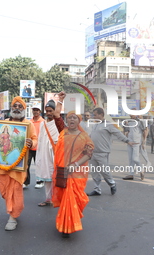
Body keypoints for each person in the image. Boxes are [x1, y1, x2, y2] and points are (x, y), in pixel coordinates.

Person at [0, 96, 37, 231]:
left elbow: (34, 139)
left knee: (15, 190)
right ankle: (12, 208)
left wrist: (31, 143)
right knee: (2, 187)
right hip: (3, 163)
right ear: (11, 108)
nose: (16, 108)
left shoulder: (28, 124)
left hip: (18, 165)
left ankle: (13, 216)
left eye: (19, 106)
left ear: (24, 109)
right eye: (14, 106)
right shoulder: (4, 123)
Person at [52, 92, 94, 238]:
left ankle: (67, 226)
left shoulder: (84, 136)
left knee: (73, 198)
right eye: (69, 117)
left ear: (79, 121)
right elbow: (57, 116)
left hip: (76, 173)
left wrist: (76, 164)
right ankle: (66, 221)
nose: (71, 119)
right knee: (65, 198)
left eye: (74, 117)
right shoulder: (63, 131)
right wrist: (60, 101)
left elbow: (88, 153)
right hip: (62, 170)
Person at [87, 107, 135, 196]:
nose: (94, 116)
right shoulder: (95, 125)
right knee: (94, 172)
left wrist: (127, 141)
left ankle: (112, 184)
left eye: (95, 115)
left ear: (101, 115)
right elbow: (91, 136)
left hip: (103, 153)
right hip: (93, 153)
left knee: (104, 171)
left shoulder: (108, 125)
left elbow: (118, 133)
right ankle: (97, 189)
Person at [35, 100, 59, 206]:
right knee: (47, 176)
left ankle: (58, 198)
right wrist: (39, 155)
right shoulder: (42, 124)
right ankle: (48, 198)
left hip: (55, 153)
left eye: (51, 111)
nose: (49, 113)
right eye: (47, 111)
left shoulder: (58, 124)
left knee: (57, 176)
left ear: (55, 111)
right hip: (44, 153)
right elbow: (40, 140)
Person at [24, 106, 45, 189]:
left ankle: (40, 181)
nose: (35, 112)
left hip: (39, 147)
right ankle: (25, 182)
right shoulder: (29, 122)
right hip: (29, 147)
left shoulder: (43, 122)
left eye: (37, 110)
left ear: (40, 111)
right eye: (34, 110)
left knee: (39, 165)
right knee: (26, 165)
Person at [122, 113, 147, 181]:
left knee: (135, 158)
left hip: (137, 142)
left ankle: (141, 170)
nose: (131, 115)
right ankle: (131, 174)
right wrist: (126, 139)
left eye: (132, 113)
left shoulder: (140, 121)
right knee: (130, 159)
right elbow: (127, 130)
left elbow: (145, 130)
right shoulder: (129, 121)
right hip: (130, 141)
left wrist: (144, 141)